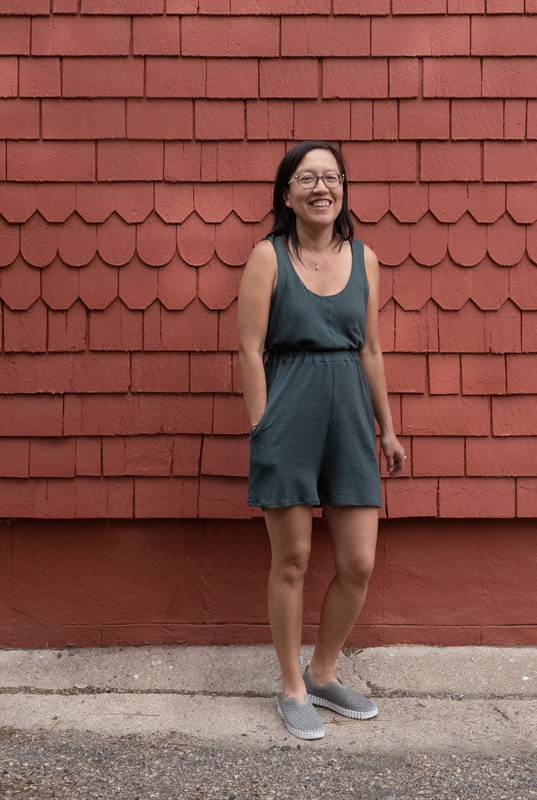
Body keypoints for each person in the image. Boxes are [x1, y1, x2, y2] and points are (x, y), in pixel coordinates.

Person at [237, 140, 406, 740]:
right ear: (287, 193)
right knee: (294, 559)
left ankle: (324, 672)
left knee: (358, 561)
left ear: (342, 190)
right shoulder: (268, 257)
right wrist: (262, 425)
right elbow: (249, 350)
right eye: (306, 178)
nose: (320, 187)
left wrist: (387, 428)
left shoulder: (365, 258)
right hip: (290, 414)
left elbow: (371, 348)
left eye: (330, 177)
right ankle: (290, 687)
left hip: (352, 420)